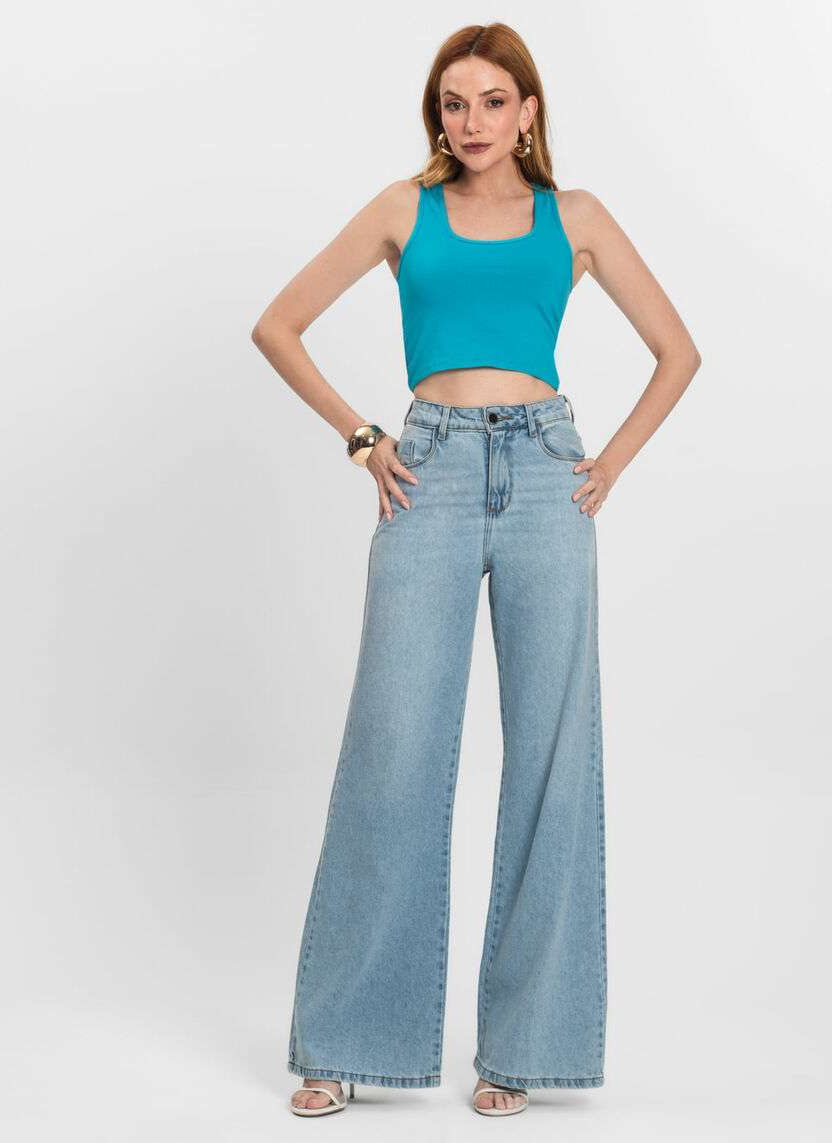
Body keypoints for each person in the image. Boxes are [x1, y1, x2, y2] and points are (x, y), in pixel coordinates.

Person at [251, 21, 701, 1120]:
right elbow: (278, 325)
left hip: (548, 476)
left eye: (493, 100)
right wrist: (364, 438)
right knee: (394, 746)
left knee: (552, 757)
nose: (472, 120)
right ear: (437, 115)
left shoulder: (575, 218)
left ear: (528, 111)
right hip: (432, 474)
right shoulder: (402, 210)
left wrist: (607, 465)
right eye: (453, 103)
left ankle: (524, 1051)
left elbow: (678, 351)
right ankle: (345, 1040)